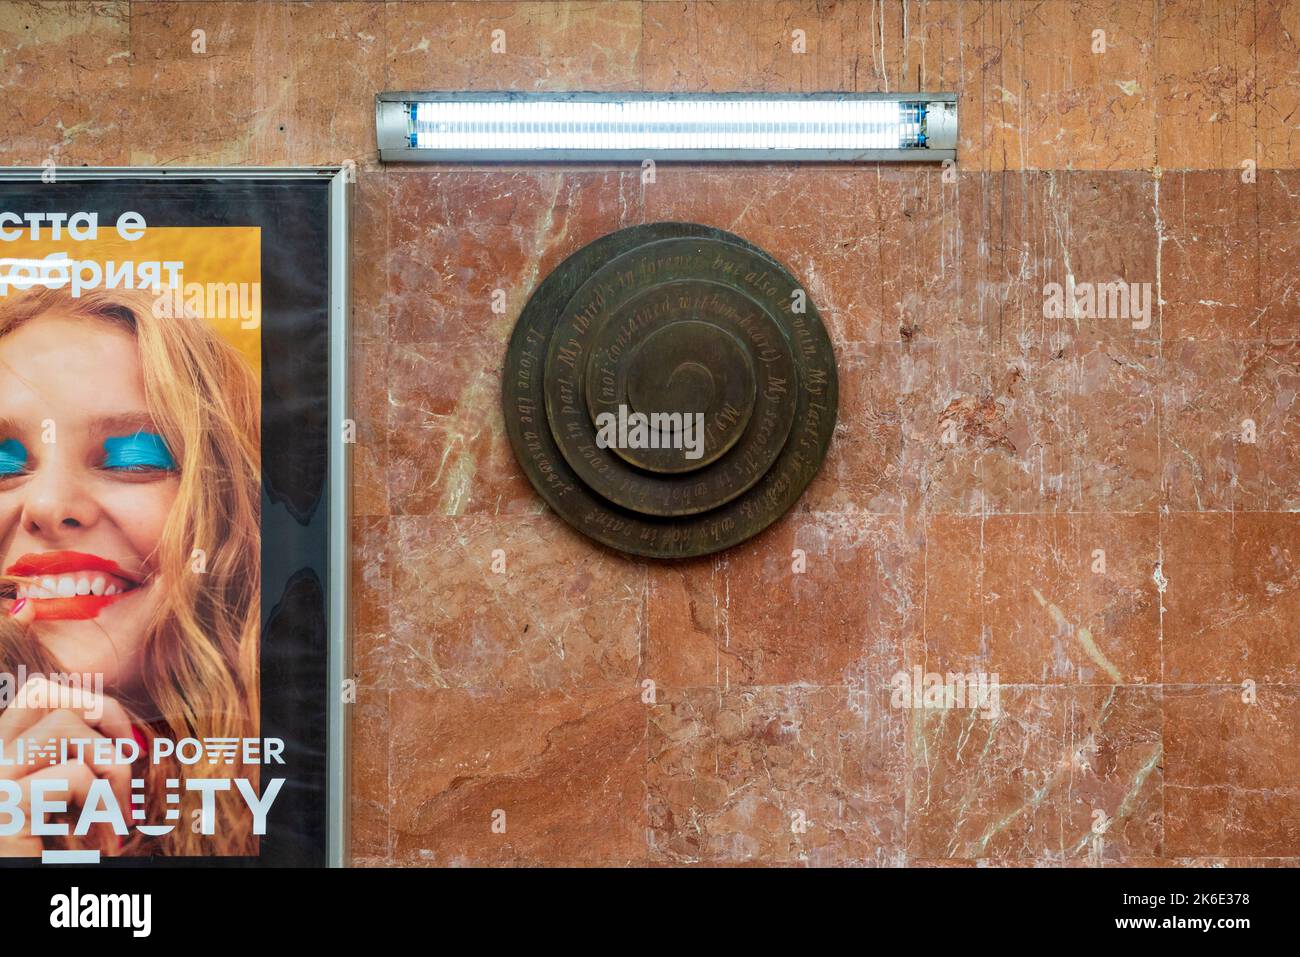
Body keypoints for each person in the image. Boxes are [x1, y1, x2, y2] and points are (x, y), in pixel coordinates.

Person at [0, 284, 260, 856]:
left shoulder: (320, 777)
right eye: (3, 466)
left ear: (232, 508)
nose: (48, 506)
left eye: (132, 460)